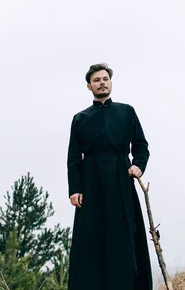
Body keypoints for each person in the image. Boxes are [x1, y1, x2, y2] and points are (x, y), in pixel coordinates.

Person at [67, 63, 153, 290]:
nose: (102, 82)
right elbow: (74, 157)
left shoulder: (127, 112)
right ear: (89, 86)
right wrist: (75, 189)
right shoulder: (80, 118)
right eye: (97, 80)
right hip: (91, 183)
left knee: (123, 236)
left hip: (120, 180)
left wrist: (138, 166)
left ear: (111, 83)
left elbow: (141, 146)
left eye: (105, 78)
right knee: (91, 241)